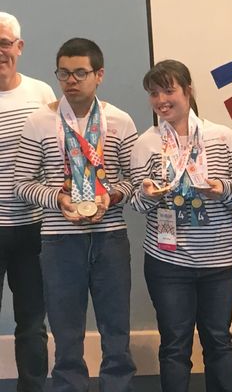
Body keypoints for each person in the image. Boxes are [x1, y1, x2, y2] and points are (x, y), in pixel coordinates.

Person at [13, 38, 137, 392]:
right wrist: (56, 199)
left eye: (80, 72)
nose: (71, 80)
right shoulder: (39, 122)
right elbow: (22, 183)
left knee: (116, 332)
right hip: (58, 239)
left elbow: (134, 179)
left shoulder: (119, 120)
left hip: (110, 237)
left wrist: (111, 197)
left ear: (99, 75)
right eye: (64, 73)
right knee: (66, 336)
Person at [130, 59, 232, 392]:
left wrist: (221, 189)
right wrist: (148, 196)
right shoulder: (146, 143)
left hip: (219, 262)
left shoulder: (222, 137)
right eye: (154, 93)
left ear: (188, 91)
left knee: (219, 342)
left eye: (169, 90)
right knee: (175, 345)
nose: (162, 100)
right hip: (168, 262)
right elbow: (136, 202)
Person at [0, 11, 55, 392]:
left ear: (19, 47)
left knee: (33, 324)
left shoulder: (42, 95)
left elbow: (56, 157)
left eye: (4, 43)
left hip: (34, 227)